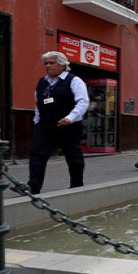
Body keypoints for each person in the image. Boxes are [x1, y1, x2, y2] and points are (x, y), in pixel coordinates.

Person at [13, 51, 88, 195]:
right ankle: (33, 186)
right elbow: (38, 104)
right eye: (46, 63)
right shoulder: (42, 82)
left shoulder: (74, 80)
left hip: (69, 125)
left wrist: (70, 118)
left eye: (51, 63)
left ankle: (77, 185)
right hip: (45, 125)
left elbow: (83, 102)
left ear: (62, 64)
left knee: (73, 156)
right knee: (37, 154)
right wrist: (37, 122)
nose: (48, 66)